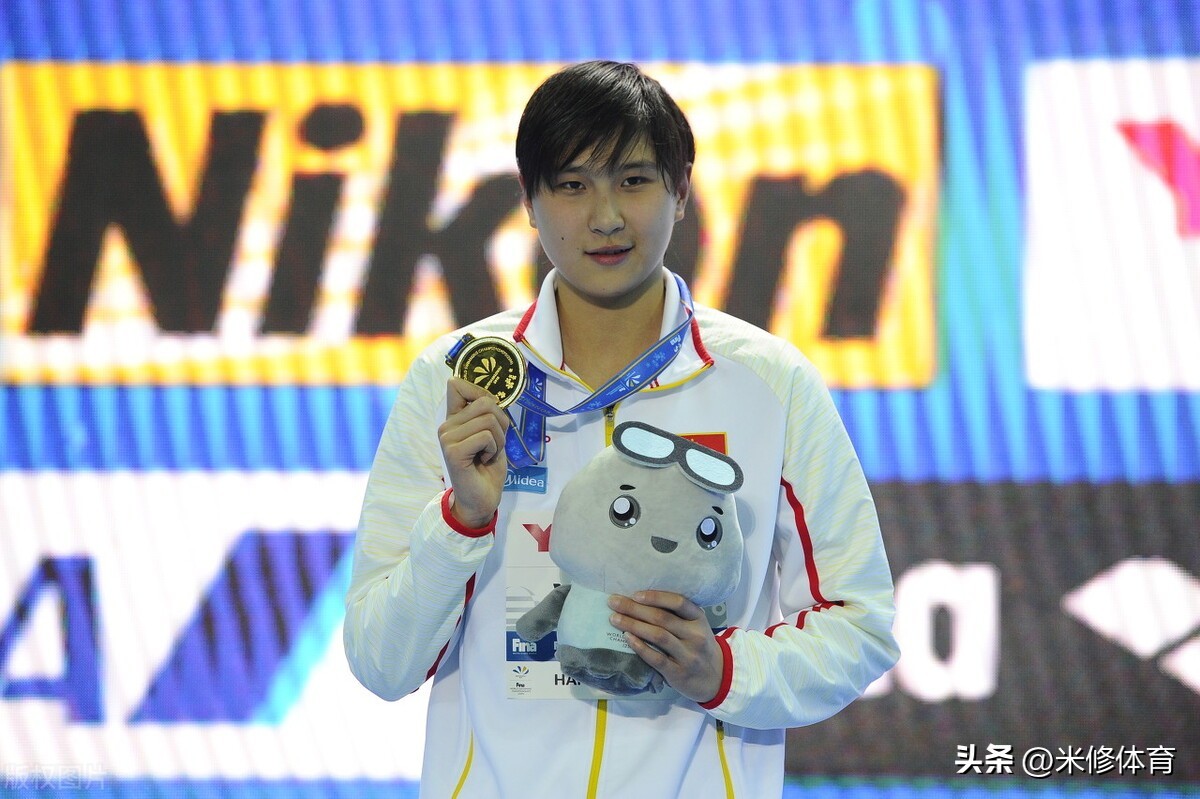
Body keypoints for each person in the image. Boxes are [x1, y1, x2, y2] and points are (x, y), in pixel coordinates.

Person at [344, 60, 898, 798]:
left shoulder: (768, 383)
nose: (605, 217)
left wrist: (723, 670)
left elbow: (860, 626)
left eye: (633, 180)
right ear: (529, 201)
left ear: (682, 190)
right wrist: (461, 521)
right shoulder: (459, 381)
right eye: (572, 186)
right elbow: (381, 664)